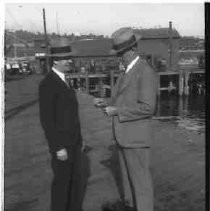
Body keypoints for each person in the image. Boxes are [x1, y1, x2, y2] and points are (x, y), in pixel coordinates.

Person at [94, 28, 158, 211]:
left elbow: (148, 108)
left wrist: (116, 111)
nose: (118, 57)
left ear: (131, 50)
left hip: (136, 139)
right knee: (129, 185)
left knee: (141, 186)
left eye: (120, 53)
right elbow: (121, 99)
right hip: (123, 137)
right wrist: (105, 102)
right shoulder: (126, 72)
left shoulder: (145, 71)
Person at [39, 39, 83, 211]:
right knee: (61, 187)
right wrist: (58, 147)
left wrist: (79, 139)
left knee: (73, 184)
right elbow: (47, 120)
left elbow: (71, 115)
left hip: (73, 143)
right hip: (62, 146)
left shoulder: (65, 81)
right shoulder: (48, 83)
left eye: (70, 57)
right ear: (55, 60)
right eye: (65, 58)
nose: (69, 61)